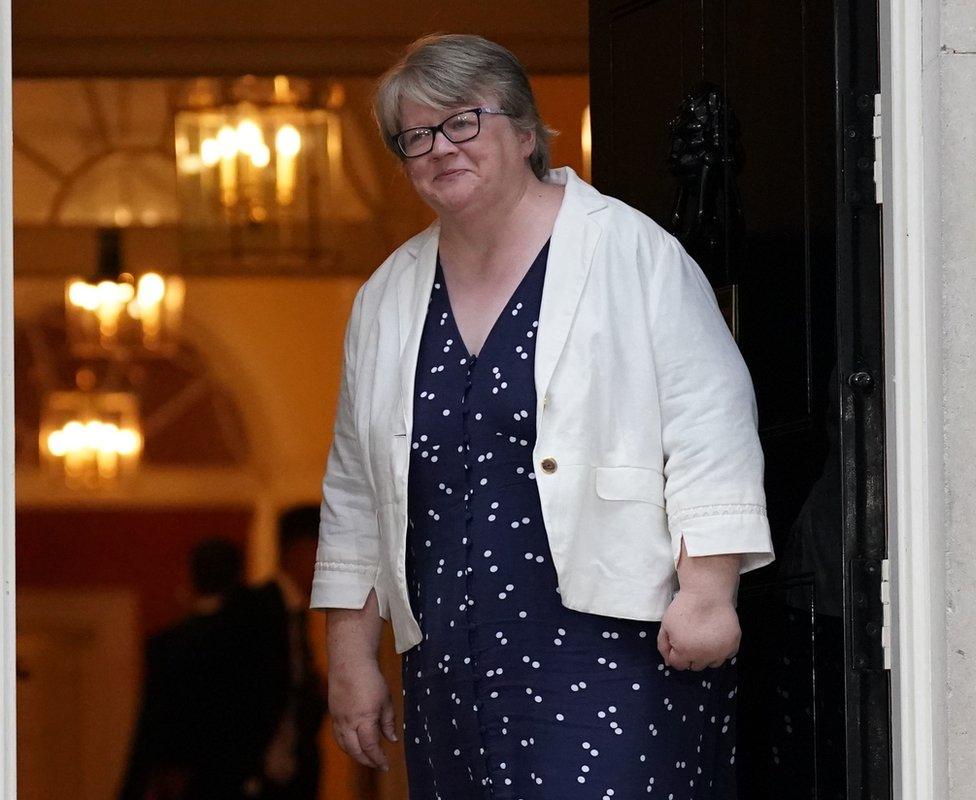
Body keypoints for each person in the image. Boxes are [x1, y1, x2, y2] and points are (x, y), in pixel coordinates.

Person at [310, 33, 775, 798]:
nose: (439, 148)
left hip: (614, 645)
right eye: (415, 136)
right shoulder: (386, 298)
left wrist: (709, 590)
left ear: (525, 131)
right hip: (451, 664)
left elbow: (710, 423)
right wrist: (352, 655)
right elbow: (355, 490)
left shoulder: (632, 252)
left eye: (464, 121)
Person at [119, 537, 272, 800]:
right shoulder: (255, 641)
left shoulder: (170, 644)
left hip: (186, 780)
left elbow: (151, 722)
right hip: (239, 778)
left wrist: (133, 788)